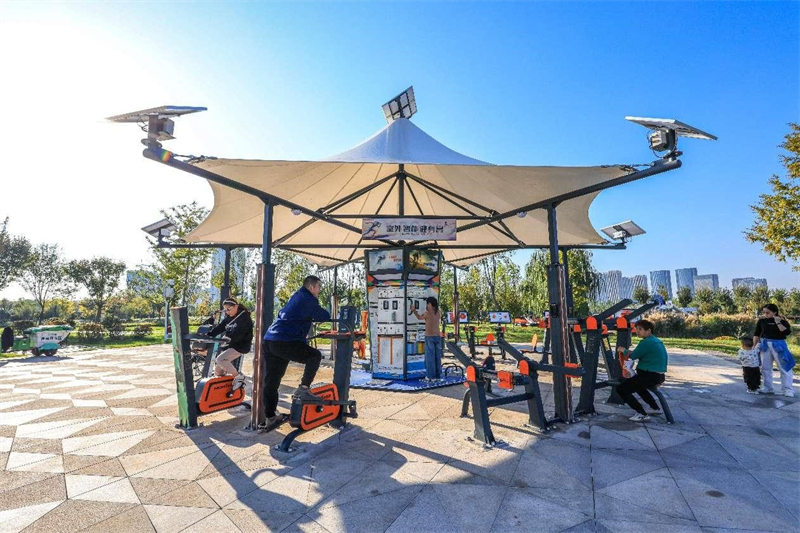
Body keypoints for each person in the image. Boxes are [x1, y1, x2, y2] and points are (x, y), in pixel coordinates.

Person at [262, 275, 331, 429]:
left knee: (272, 381)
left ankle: (271, 417)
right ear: (312, 287)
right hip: (285, 340)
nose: (319, 290)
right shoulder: (308, 299)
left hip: (270, 340)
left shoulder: (296, 296)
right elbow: (324, 316)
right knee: (314, 356)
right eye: (319, 287)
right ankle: (303, 389)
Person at [616, 319, 668, 422]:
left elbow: (634, 355)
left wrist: (623, 350)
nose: (637, 332)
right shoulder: (656, 340)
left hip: (650, 376)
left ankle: (641, 413)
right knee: (638, 387)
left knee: (621, 389)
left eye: (640, 329)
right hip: (657, 376)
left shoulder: (646, 342)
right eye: (636, 329)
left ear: (649, 331)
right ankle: (655, 408)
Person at [207, 298, 253, 391]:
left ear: (236, 306)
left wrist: (230, 338)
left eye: (228, 309)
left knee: (220, 359)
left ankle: (239, 377)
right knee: (218, 372)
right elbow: (220, 327)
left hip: (240, 346)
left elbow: (240, 333)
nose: (227, 312)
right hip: (229, 345)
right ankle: (225, 390)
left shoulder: (244, 317)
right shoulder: (229, 318)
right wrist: (209, 335)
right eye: (225, 310)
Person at [754, 303, 795, 397]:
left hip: (779, 345)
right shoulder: (762, 321)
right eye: (764, 312)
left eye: (767, 312)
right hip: (765, 345)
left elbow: (786, 332)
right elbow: (756, 334)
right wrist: (754, 346)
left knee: (784, 367)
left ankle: (787, 389)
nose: (765, 314)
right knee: (765, 368)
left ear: (775, 312)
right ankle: (768, 387)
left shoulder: (782, 321)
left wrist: (778, 322)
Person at [410, 297, 442, 381]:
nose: (427, 305)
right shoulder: (438, 312)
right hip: (437, 337)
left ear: (430, 304)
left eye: (427, 304)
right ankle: (438, 376)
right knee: (437, 357)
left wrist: (414, 310)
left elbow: (419, 318)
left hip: (429, 337)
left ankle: (430, 377)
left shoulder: (428, 313)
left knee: (430, 358)